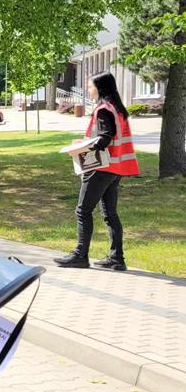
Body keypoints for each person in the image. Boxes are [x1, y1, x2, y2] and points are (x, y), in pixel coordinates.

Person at [54, 71, 140, 271]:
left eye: (90, 86)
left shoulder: (103, 110)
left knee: (83, 211)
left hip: (101, 168)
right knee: (110, 213)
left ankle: (80, 256)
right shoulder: (117, 109)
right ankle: (116, 258)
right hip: (115, 169)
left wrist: (81, 147)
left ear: (100, 88)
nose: (88, 89)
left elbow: (104, 138)